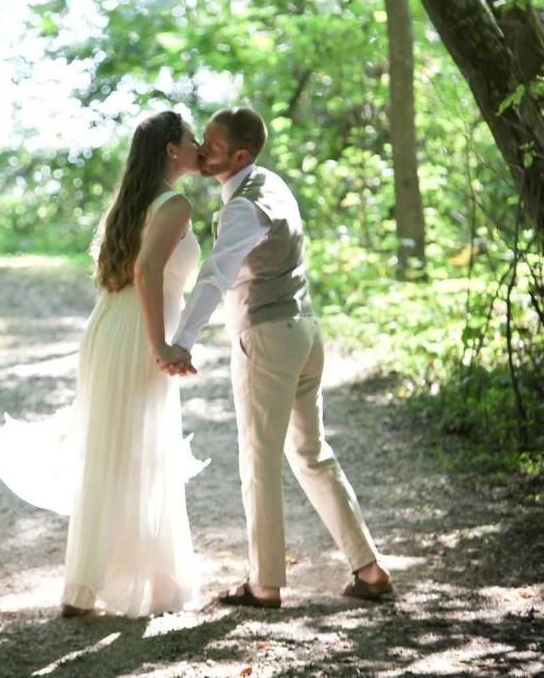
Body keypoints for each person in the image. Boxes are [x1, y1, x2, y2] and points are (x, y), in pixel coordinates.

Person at [157, 107, 392, 608]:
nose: (201, 152)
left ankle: (265, 583)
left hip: (267, 337)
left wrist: (182, 341)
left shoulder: (243, 208)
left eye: (212, 148)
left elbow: (217, 277)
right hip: (305, 331)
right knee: (311, 453)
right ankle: (369, 570)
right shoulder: (272, 183)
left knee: (259, 460)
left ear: (239, 155)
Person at [0, 110, 206, 619]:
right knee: (136, 453)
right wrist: (161, 344)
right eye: (192, 139)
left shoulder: (133, 202)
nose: (199, 146)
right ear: (172, 148)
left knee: (117, 452)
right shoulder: (174, 205)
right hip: (136, 335)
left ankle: (94, 587)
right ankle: (124, 584)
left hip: (109, 329)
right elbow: (147, 272)